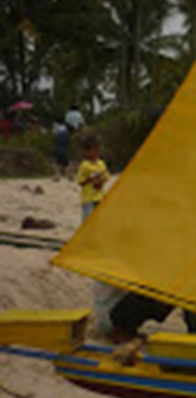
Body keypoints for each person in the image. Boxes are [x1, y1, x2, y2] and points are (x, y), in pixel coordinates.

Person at [77, 135, 121, 336]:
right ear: (86, 151)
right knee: (88, 221)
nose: (93, 153)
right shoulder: (84, 165)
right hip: (88, 197)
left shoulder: (101, 163)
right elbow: (81, 181)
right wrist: (90, 179)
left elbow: (106, 176)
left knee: (99, 221)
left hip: (99, 195)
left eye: (95, 149)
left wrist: (100, 179)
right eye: (90, 150)